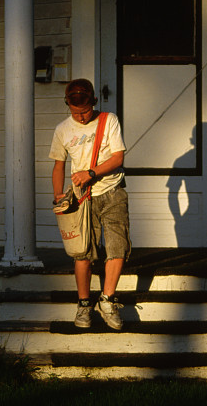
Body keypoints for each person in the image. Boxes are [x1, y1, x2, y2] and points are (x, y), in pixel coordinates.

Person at [49, 79, 130, 330]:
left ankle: (107, 300)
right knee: (82, 252)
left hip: (112, 193)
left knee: (118, 246)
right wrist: (58, 196)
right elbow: (59, 165)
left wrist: (91, 173)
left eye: (85, 112)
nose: (81, 117)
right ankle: (84, 304)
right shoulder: (62, 129)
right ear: (68, 105)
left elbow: (118, 157)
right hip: (82, 199)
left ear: (93, 102)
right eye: (76, 113)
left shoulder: (109, 120)